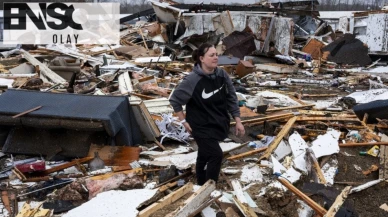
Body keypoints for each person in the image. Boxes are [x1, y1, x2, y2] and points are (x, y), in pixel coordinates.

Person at [169, 43, 245, 185]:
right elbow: (175, 100)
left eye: (216, 54)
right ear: (202, 58)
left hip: (217, 123)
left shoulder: (222, 75)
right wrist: (183, 122)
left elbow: (232, 97)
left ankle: (200, 184)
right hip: (199, 125)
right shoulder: (192, 80)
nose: (216, 57)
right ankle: (210, 188)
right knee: (216, 154)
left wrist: (238, 120)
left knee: (204, 154)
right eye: (212, 55)